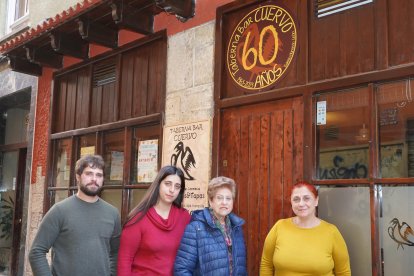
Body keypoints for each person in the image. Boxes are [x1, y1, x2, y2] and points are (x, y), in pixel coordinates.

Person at [29, 154, 121, 276]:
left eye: (99, 175)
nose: (94, 179)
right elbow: (36, 252)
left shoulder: (112, 213)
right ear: (78, 176)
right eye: (89, 173)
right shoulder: (59, 211)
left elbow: (115, 253)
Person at [260, 181, 351, 276]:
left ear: (316, 201)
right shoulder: (279, 227)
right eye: (296, 199)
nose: (301, 204)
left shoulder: (331, 232)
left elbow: (343, 272)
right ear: (291, 202)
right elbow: (266, 264)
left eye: (306, 198)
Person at [117, 166, 190, 275]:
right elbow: (124, 260)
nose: (172, 190)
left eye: (177, 186)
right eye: (168, 184)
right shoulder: (138, 218)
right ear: (158, 184)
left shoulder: (185, 217)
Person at [174, 176, 247, 275]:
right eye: (219, 198)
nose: (224, 202)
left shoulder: (237, 228)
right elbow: (182, 270)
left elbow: (241, 269)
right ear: (211, 201)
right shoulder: (195, 228)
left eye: (228, 198)